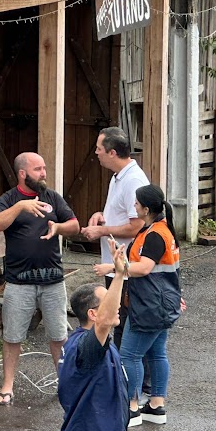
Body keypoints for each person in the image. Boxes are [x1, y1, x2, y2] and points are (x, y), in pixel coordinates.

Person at [0, 152, 80, 405]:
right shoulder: (9, 199)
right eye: (38, 169)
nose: (43, 173)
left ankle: (64, 383)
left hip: (52, 279)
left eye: (44, 168)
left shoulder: (52, 197)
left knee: (58, 335)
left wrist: (58, 227)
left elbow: (75, 225)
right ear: (23, 174)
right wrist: (20, 206)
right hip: (19, 281)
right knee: (13, 337)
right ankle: (7, 387)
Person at [94, 184, 180, 426]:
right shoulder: (160, 230)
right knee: (156, 353)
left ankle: (131, 408)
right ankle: (156, 405)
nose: (134, 207)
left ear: (146, 208)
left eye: (136, 204)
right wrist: (117, 257)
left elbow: (144, 268)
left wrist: (113, 267)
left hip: (149, 305)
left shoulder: (154, 234)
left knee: (129, 355)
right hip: (162, 302)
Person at [58, 239, 130, 431]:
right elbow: (106, 320)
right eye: (108, 300)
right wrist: (119, 275)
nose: (116, 305)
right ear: (92, 314)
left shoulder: (87, 343)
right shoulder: (87, 346)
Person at [81, 126, 149, 350]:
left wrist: (101, 231)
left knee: (125, 323)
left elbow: (137, 225)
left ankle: (131, 379)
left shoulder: (133, 181)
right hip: (116, 266)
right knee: (116, 320)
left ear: (112, 153)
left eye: (99, 149)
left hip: (127, 269)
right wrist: (102, 216)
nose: (96, 153)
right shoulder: (118, 177)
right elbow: (120, 212)